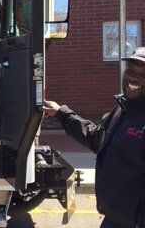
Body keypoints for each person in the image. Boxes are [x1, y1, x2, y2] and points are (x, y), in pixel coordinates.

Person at [41, 47, 145, 228]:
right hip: (114, 217)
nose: (133, 78)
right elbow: (97, 137)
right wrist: (61, 113)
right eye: (130, 70)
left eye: (143, 74)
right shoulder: (122, 109)